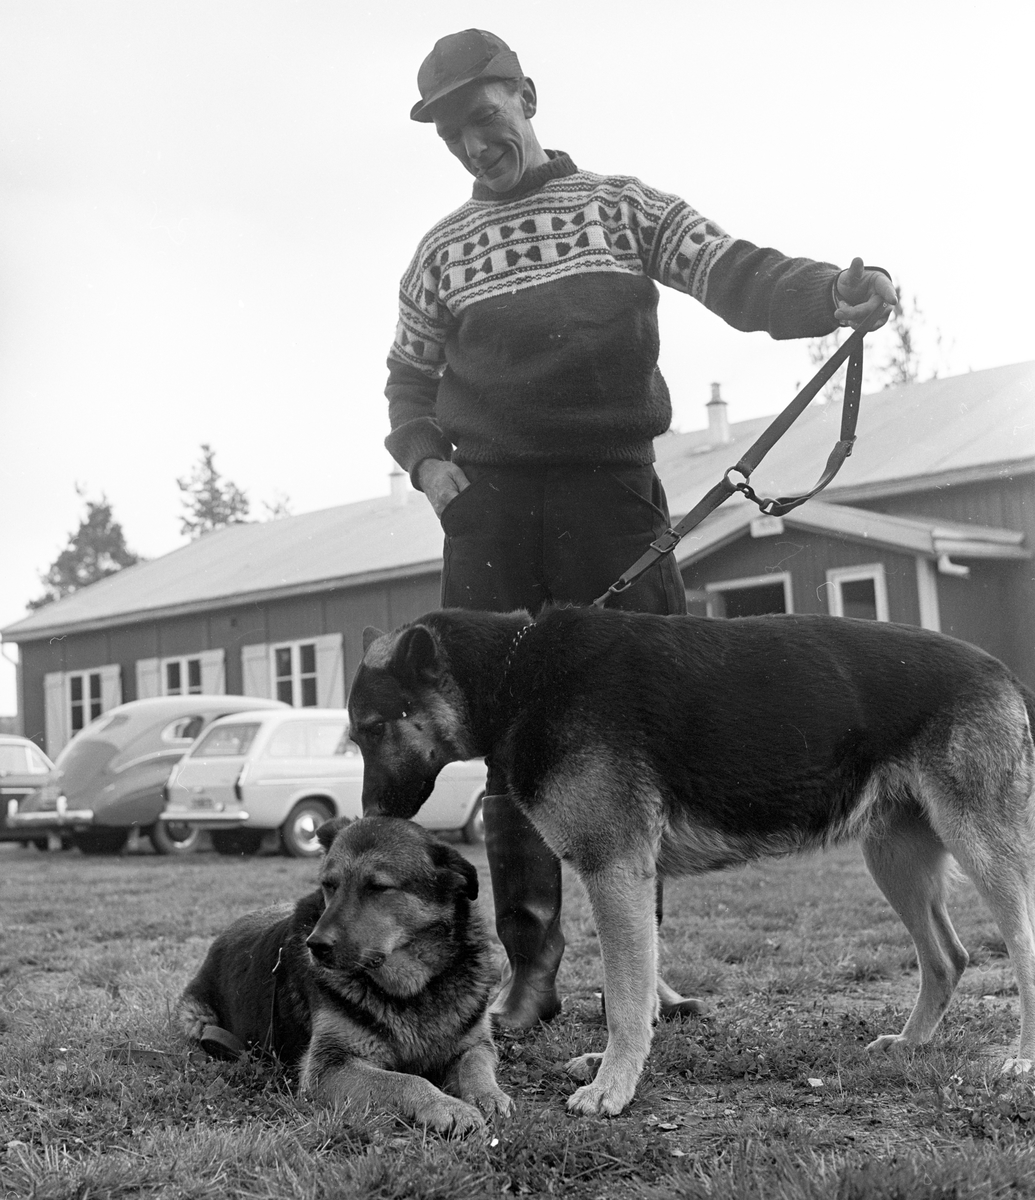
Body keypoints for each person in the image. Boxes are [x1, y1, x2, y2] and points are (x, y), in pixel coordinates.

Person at [383, 29, 898, 1031]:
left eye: (486, 118)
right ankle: (530, 972)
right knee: (510, 748)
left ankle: (639, 974)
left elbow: (735, 273)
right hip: (490, 512)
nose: (476, 144)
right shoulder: (438, 252)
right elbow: (406, 381)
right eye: (453, 135)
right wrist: (433, 467)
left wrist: (829, 296)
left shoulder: (621, 205)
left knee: (640, 731)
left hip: (612, 501)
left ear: (526, 97)